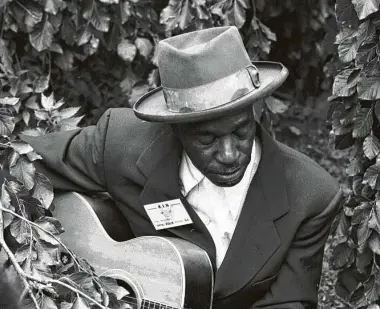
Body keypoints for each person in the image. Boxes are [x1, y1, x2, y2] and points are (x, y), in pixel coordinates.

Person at [21, 26, 342, 309]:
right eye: (207, 140)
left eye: (241, 131)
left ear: (255, 110)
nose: (230, 154)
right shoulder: (120, 143)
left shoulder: (311, 196)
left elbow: (288, 301)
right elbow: (19, 166)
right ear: (175, 129)